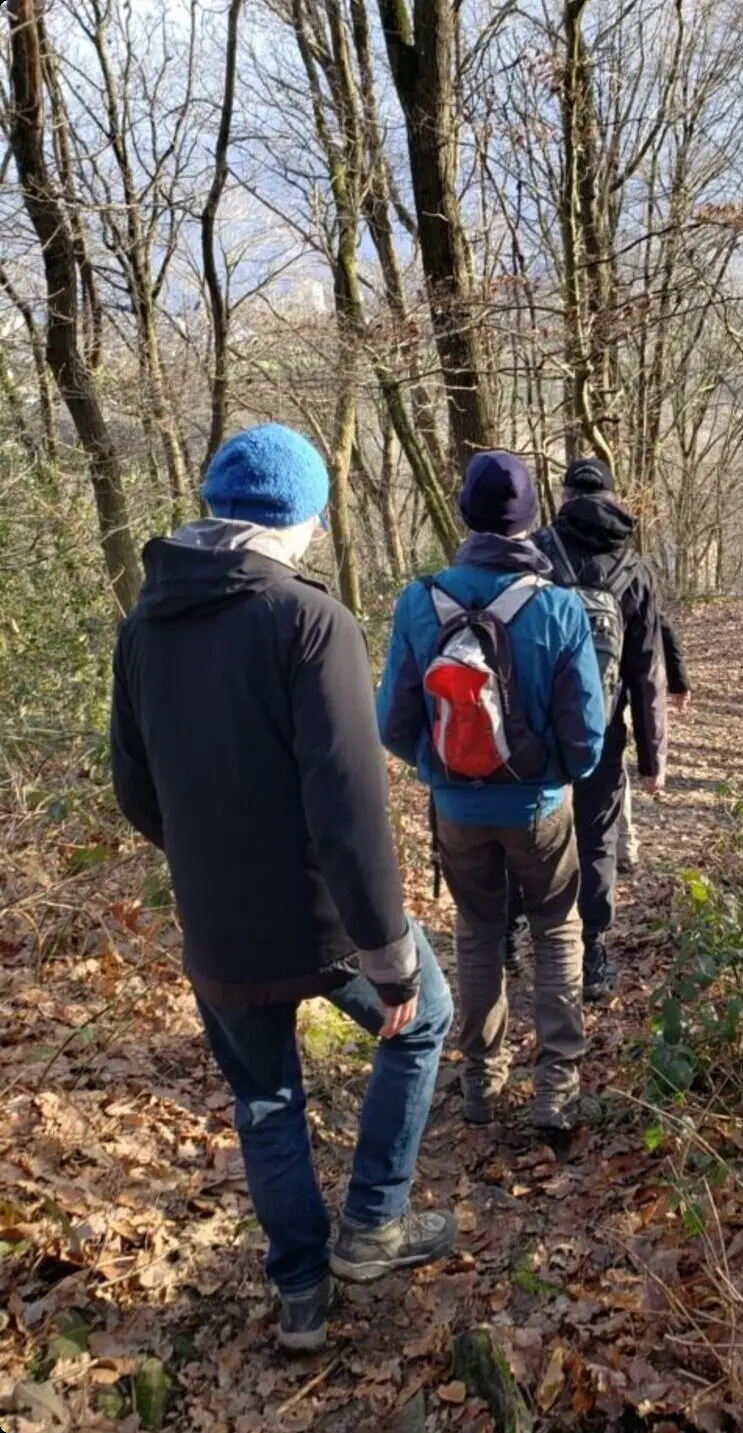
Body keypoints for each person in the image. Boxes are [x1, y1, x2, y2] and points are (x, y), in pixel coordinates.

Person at [109, 424, 455, 1355]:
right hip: (323, 916)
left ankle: (300, 1289)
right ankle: (373, 1222)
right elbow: (348, 808)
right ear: (298, 518)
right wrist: (389, 957)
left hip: (215, 921)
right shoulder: (309, 619)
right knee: (423, 1017)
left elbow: (136, 789)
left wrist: (210, 859)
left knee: (265, 1096)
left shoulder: (145, 622)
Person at [377, 451, 605, 1132]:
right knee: (556, 927)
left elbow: (392, 724)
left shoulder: (421, 602)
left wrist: (444, 769)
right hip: (539, 808)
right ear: (533, 520)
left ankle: (481, 1082)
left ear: (465, 515)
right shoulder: (561, 607)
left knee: (477, 932)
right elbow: (589, 739)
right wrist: (547, 773)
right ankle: (556, 1090)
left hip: (456, 811)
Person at [533, 456, 668, 1001]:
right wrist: (652, 758)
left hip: (535, 727)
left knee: (530, 830)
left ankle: (519, 932)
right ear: (613, 500)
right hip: (603, 730)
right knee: (597, 839)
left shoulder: (537, 554)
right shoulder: (634, 568)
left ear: (565, 497)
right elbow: (646, 673)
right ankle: (591, 954)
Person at [617, 615, 690, 873]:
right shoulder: (633, 580)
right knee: (615, 769)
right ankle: (623, 846)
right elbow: (662, 629)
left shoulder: (563, 577)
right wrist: (680, 683)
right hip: (619, 694)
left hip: (575, 694)